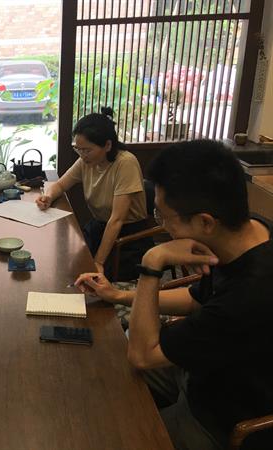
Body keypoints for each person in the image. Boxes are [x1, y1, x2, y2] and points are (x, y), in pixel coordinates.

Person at [75, 140, 273, 450]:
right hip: (196, 367)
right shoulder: (253, 230)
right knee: (102, 373)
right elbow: (196, 299)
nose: (163, 226)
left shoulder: (249, 295)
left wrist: (153, 262)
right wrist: (118, 295)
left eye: (164, 217)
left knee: (109, 434)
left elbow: (142, 355)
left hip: (219, 417)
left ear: (205, 222)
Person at [36, 107, 151, 280]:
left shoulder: (125, 163)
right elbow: (59, 185)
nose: (82, 155)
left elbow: (117, 220)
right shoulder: (86, 160)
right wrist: (48, 196)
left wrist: (98, 262)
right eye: (78, 149)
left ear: (108, 145)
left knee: (91, 277)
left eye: (87, 150)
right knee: (66, 262)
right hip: (100, 228)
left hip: (128, 237)